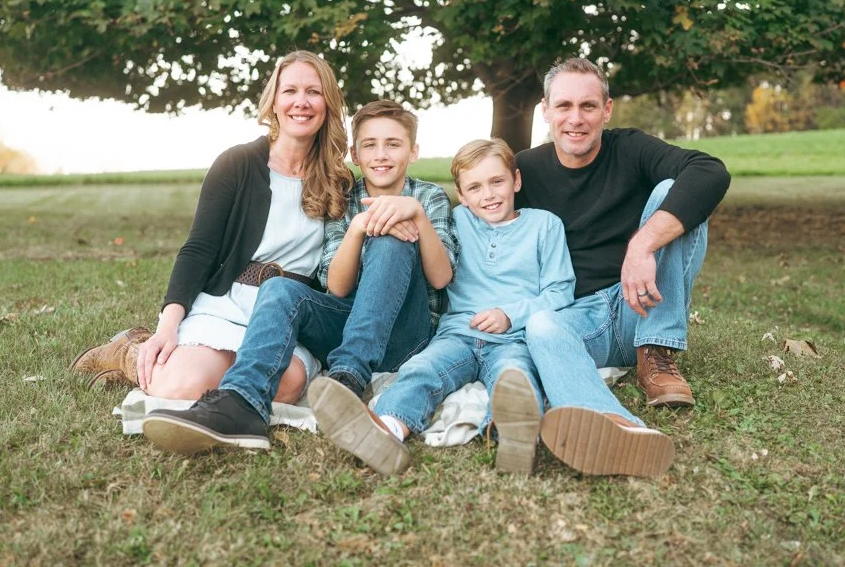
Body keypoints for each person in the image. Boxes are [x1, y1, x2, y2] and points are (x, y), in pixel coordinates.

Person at [141, 100, 459, 454]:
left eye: (393, 144)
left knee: (390, 241)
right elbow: (337, 287)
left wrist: (415, 216)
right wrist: (357, 229)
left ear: (413, 151)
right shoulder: (345, 196)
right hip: (348, 324)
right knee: (279, 288)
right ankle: (242, 403)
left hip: (404, 334)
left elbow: (442, 277)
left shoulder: (428, 196)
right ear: (354, 153)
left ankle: (347, 381)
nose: (381, 154)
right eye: (370, 144)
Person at [70, 51, 354, 406]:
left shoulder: (337, 182)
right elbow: (198, 250)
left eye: (313, 91)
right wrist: (167, 326)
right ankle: (132, 351)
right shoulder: (238, 164)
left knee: (287, 388)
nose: (301, 102)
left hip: (288, 314)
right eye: (290, 91)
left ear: (328, 101)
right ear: (274, 101)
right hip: (228, 303)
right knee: (178, 387)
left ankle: (209, 376)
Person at [309, 138, 600, 476]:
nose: (488, 195)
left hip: (513, 337)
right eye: (474, 187)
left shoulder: (544, 225)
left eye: (497, 182)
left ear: (516, 181)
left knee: (515, 379)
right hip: (457, 334)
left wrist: (510, 315)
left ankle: (513, 437)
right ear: (461, 195)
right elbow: (431, 258)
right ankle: (387, 429)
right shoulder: (457, 220)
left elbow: (560, 291)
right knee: (422, 371)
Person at [516, 57, 730, 476]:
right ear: (545, 110)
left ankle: (656, 352)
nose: (575, 119)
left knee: (675, 191)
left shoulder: (629, 148)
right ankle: (617, 427)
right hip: (579, 319)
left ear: (607, 110)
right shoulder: (525, 169)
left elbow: (709, 172)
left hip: (639, 303)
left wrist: (641, 245)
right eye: (563, 106)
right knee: (539, 326)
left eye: (588, 106)